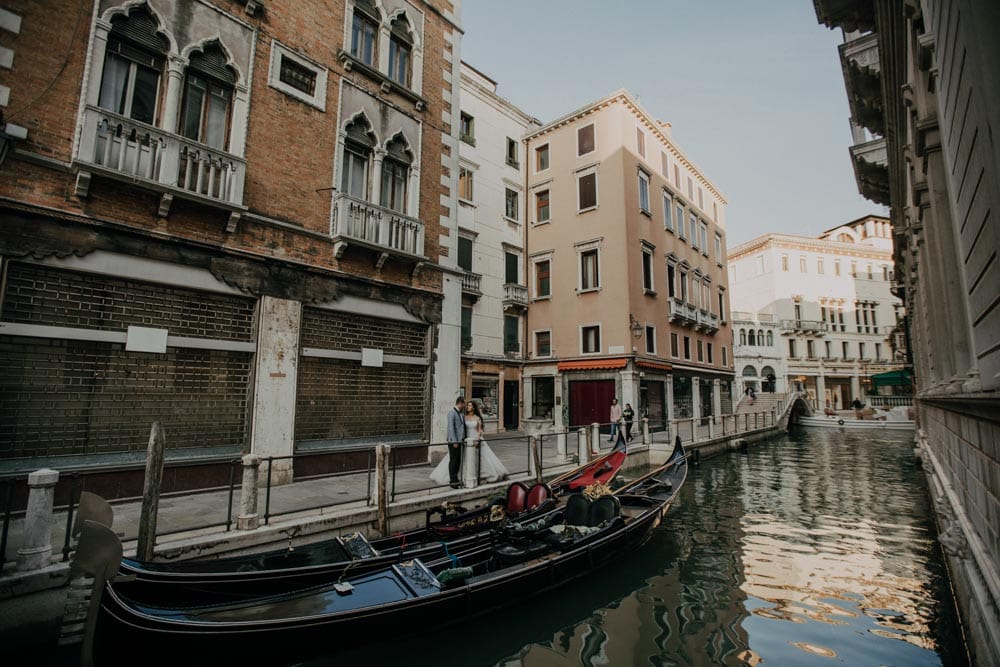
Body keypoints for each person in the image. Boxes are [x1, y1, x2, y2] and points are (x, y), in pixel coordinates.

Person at [432, 396, 465, 488]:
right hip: (453, 442)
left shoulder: (460, 414)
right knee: (453, 461)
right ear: (460, 403)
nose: (464, 406)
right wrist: (454, 441)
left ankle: (456, 479)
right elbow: (451, 428)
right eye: (464, 404)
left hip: (459, 441)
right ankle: (452, 481)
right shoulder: (452, 413)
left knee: (457, 461)